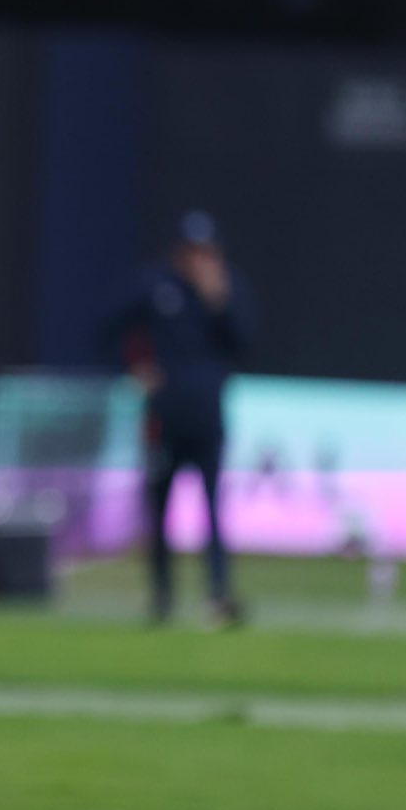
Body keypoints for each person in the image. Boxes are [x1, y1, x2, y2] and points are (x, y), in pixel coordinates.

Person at [113, 211, 254, 626]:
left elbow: (245, 341)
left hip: (207, 419)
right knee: (159, 510)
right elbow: (110, 326)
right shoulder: (155, 286)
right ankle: (161, 597)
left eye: (205, 252)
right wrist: (134, 367)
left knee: (213, 509)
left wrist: (219, 303)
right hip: (164, 419)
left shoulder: (225, 289)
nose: (198, 260)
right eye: (192, 251)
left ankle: (218, 593)